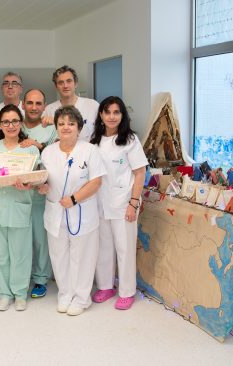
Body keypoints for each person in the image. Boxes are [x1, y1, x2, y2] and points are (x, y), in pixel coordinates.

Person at [38, 106, 106, 316]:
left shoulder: (90, 150)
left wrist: (75, 199)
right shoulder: (48, 151)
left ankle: (81, 298)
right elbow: (43, 180)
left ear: (79, 127)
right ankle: (65, 294)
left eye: (71, 123)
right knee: (59, 256)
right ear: (56, 127)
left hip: (82, 211)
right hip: (55, 212)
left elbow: (96, 182)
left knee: (82, 256)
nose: (66, 127)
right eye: (61, 123)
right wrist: (42, 188)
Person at [0, 104, 40, 311]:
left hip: (19, 207)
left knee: (20, 253)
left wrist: (29, 183)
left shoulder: (29, 148)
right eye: (6, 121)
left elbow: (38, 178)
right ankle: (5, 293)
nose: (10, 125)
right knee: (1, 255)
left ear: (20, 124)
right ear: (0, 125)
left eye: (14, 121)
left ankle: (20, 293)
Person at [90, 96, 148, 310]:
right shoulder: (94, 140)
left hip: (124, 202)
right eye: (108, 112)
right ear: (101, 115)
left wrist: (134, 203)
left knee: (124, 249)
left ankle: (126, 291)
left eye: (116, 112)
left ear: (122, 115)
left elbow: (140, 172)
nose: (112, 116)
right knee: (103, 248)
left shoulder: (130, 140)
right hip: (99, 202)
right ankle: (105, 286)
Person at [19, 89, 57, 299]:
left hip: (39, 193)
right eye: (30, 103)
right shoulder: (15, 124)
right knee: (20, 239)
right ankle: (22, 278)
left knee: (39, 239)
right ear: (23, 104)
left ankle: (41, 279)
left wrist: (38, 145)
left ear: (44, 106)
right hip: (16, 192)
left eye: (38, 103)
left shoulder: (50, 128)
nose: (34, 107)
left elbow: (57, 156)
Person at [43, 65, 99, 142]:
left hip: (88, 152)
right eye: (60, 83)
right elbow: (47, 137)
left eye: (69, 81)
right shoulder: (49, 110)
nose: (65, 86)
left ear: (75, 83)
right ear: (56, 86)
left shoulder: (92, 105)